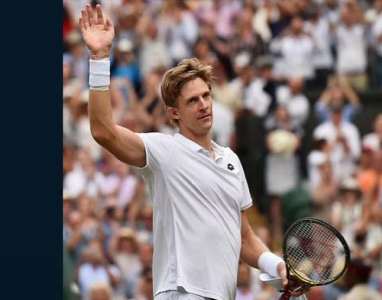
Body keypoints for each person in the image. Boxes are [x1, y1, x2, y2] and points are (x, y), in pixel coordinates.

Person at [79, 5, 305, 300]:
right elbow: (103, 131)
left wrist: (277, 266)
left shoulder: (231, 160)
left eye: (206, 96)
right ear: (174, 113)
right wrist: (99, 58)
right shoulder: (164, 151)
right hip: (181, 293)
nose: (203, 105)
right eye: (192, 101)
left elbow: (245, 238)